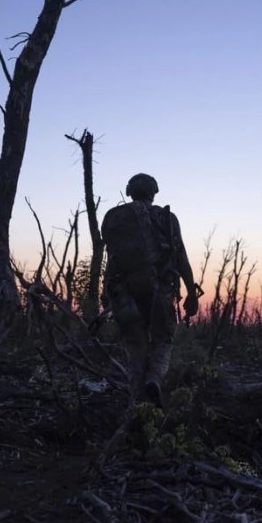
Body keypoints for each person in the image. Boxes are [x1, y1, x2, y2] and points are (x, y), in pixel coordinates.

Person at [101, 173, 199, 406]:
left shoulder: (113, 217)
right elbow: (181, 256)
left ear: (129, 191)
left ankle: (137, 400)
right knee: (163, 340)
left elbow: (111, 260)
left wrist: (106, 295)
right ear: (153, 192)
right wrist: (192, 293)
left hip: (124, 292)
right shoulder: (166, 218)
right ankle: (154, 379)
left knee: (135, 343)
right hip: (159, 290)